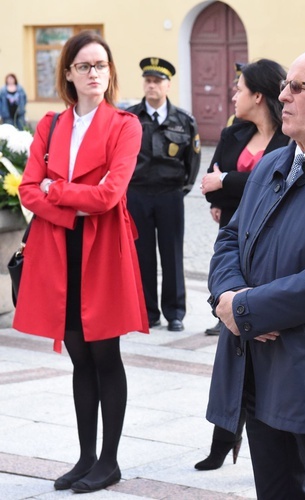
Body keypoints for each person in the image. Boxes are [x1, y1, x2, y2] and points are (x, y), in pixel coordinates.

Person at [206, 50, 305, 499]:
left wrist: (245, 309)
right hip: (258, 369)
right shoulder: (275, 162)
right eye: (285, 86)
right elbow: (228, 240)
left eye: (298, 87)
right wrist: (231, 298)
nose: (284, 96)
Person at [13, 31, 148, 493]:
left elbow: (111, 197)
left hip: (103, 251)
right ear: (68, 72)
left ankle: (109, 460)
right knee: (78, 358)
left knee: (105, 355)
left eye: (102, 65)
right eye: (86, 66)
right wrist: (70, 203)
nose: (95, 73)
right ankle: (86, 456)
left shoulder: (125, 125)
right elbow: (27, 189)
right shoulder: (50, 125)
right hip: (58, 250)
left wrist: (57, 191)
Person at [194, 58, 290, 471]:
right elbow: (210, 185)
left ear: (258, 95)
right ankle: (224, 437)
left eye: (239, 88)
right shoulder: (235, 132)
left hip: (275, 255)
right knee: (231, 350)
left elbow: (281, 182)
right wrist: (223, 193)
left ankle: (267, 440)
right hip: (234, 244)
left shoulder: (291, 135)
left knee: (266, 351)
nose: (232, 94)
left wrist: (228, 184)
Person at [126, 57, 201, 332]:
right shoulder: (130, 118)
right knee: (142, 253)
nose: (151, 85)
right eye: (148, 80)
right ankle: (147, 312)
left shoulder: (183, 120)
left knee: (172, 254)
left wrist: (183, 190)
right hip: (137, 193)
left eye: (157, 81)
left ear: (168, 85)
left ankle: (175, 312)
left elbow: (192, 160)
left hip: (170, 194)